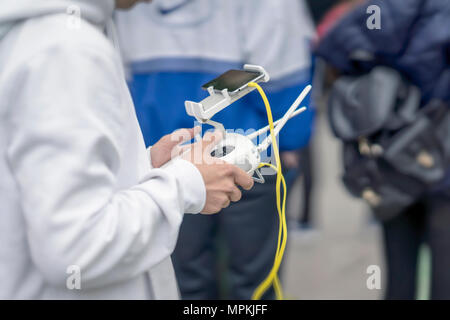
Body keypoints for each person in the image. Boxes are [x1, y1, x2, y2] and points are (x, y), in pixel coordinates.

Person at [0, 0, 253, 299]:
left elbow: (40, 189)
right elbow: (76, 248)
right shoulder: (66, 49)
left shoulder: (49, 33)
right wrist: (185, 185)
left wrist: (143, 169)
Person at [115, 0, 315, 299]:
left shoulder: (123, 6)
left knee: (185, 277)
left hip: (164, 150)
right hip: (245, 149)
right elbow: (282, 60)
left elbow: (121, 75)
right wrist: (290, 141)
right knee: (252, 280)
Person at [315, 0, 450, 299]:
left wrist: (379, 75)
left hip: (390, 158)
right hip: (441, 157)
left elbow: (331, 46)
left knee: (398, 267)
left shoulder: (376, 12)